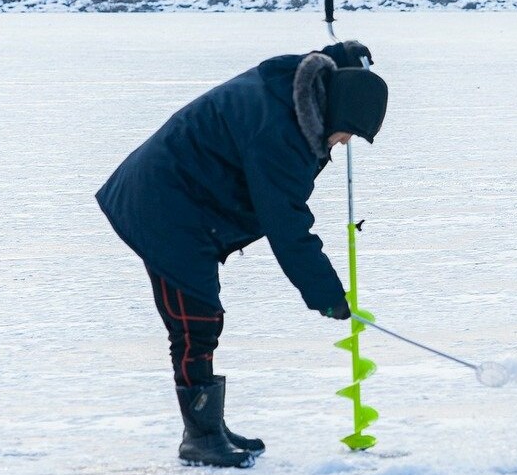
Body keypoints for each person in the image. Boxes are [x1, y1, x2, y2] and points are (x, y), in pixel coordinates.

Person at [95, 41, 388, 468]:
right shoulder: (279, 133)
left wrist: (343, 54)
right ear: (337, 113)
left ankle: (209, 428)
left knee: (201, 320)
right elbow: (286, 223)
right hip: (164, 205)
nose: (343, 144)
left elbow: (325, 70)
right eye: (349, 133)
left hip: (188, 198)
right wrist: (327, 295)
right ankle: (200, 438)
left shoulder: (296, 88)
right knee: (196, 322)